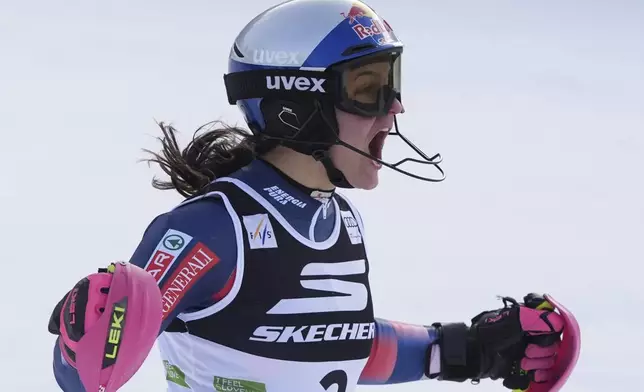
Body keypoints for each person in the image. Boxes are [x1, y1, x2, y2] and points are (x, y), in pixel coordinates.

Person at [48, 1, 566, 391]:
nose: (395, 109)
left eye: (393, 83)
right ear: (296, 105)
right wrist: (84, 339)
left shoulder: (339, 221)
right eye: (369, 89)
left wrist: (461, 350)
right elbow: (89, 371)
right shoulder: (213, 229)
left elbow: (338, 347)